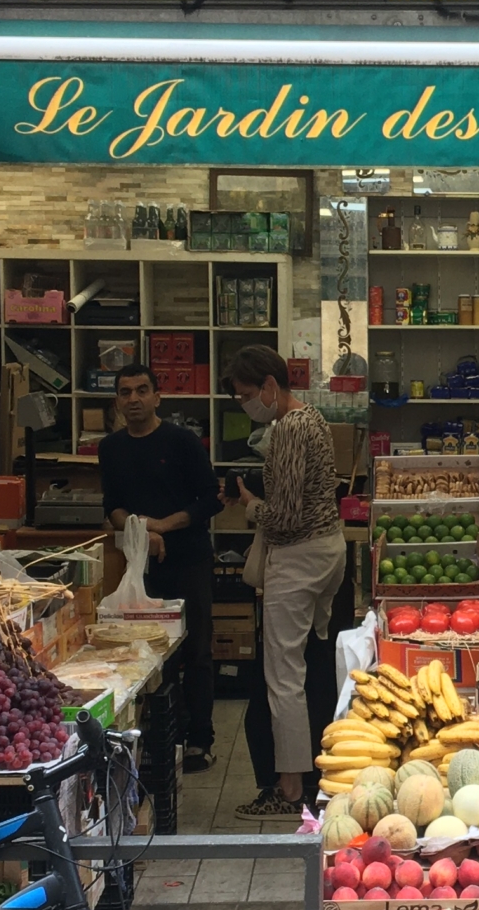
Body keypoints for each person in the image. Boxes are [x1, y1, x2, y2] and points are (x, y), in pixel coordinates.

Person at [223, 344, 346, 818]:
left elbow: (287, 518)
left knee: (283, 677)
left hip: (299, 560)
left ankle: (291, 788)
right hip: (325, 551)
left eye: (246, 395)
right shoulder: (310, 418)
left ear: (271, 387)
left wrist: (252, 507)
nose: (244, 405)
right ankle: (306, 773)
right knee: (308, 666)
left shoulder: (289, 429)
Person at [98, 365, 219, 772]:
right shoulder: (110, 448)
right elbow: (112, 506)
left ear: (157, 397)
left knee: (196, 651)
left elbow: (210, 500)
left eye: (141, 390)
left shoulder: (182, 441)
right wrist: (140, 530)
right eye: (125, 392)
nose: (133, 399)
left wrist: (164, 525)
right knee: (148, 654)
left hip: (190, 560)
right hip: (141, 565)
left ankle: (200, 739)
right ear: (117, 400)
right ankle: (164, 738)